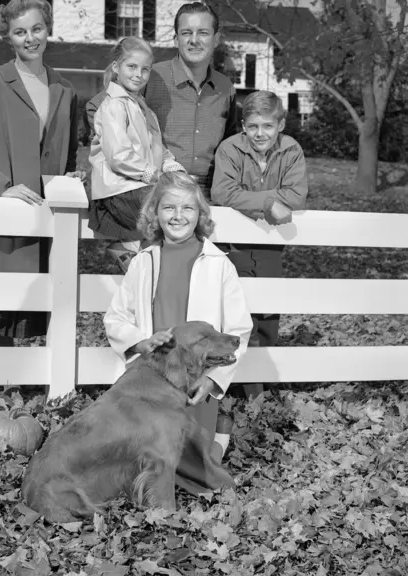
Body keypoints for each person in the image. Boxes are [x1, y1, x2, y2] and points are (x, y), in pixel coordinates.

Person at [104, 172, 253, 495]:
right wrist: (139, 342)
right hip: (154, 378)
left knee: (193, 458)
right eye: (169, 207)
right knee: (148, 448)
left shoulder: (217, 264)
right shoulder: (143, 263)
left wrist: (213, 379)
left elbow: (238, 329)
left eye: (188, 208)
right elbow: (116, 318)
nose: (178, 216)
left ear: (200, 215)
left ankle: (210, 453)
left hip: (196, 378)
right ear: (154, 213)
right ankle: (150, 484)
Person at [0, 0, 85, 348]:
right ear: (8, 37)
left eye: (37, 28)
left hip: (46, 213)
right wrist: (2, 187)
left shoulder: (66, 90)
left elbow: (69, 153)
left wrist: (70, 178)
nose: (30, 38)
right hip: (5, 214)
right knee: (1, 313)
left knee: (38, 304)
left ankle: (20, 383)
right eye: (20, 32)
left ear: (48, 30)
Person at [85, 2, 236, 201]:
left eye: (203, 33)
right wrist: (109, 159)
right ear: (176, 39)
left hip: (208, 192)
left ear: (216, 39)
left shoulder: (226, 88)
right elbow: (97, 108)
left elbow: (232, 143)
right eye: (186, 33)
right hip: (156, 190)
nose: (194, 40)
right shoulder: (150, 76)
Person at [211, 90, 308, 356]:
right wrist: (267, 202)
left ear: (281, 125)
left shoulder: (291, 150)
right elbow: (222, 192)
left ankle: (262, 379)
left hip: (272, 245)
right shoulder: (230, 149)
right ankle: (236, 378)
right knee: (236, 309)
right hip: (233, 245)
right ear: (243, 126)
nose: (260, 133)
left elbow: (296, 196)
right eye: (253, 126)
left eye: (268, 126)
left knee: (267, 310)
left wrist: (247, 200)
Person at [88, 37, 184, 272]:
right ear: (116, 68)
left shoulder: (143, 108)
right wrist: (154, 175)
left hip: (136, 186)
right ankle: (137, 265)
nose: (138, 74)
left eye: (145, 69)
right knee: (171, 218)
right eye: (131, 67)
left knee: (181, 203)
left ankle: (130, 258)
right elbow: (119, 156)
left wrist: (175, 170)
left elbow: (158, 148)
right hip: (120, 188)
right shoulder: (113, 106)